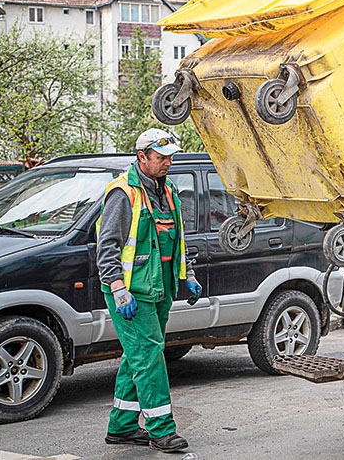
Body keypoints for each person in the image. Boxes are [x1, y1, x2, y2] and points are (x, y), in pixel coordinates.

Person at [96, 128, 200, 453]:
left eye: (171, 157)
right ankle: (162, 430)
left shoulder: (168, 190)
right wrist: (117, 288)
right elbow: (107, 246)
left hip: (160, 287)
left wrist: (188, 275)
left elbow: (177, 239)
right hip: (132, 292)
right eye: (161, 157)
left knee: (138, 356)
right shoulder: (122, 193)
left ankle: (122, 426)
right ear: (142, 157)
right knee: (150, 357)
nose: (168, 162)